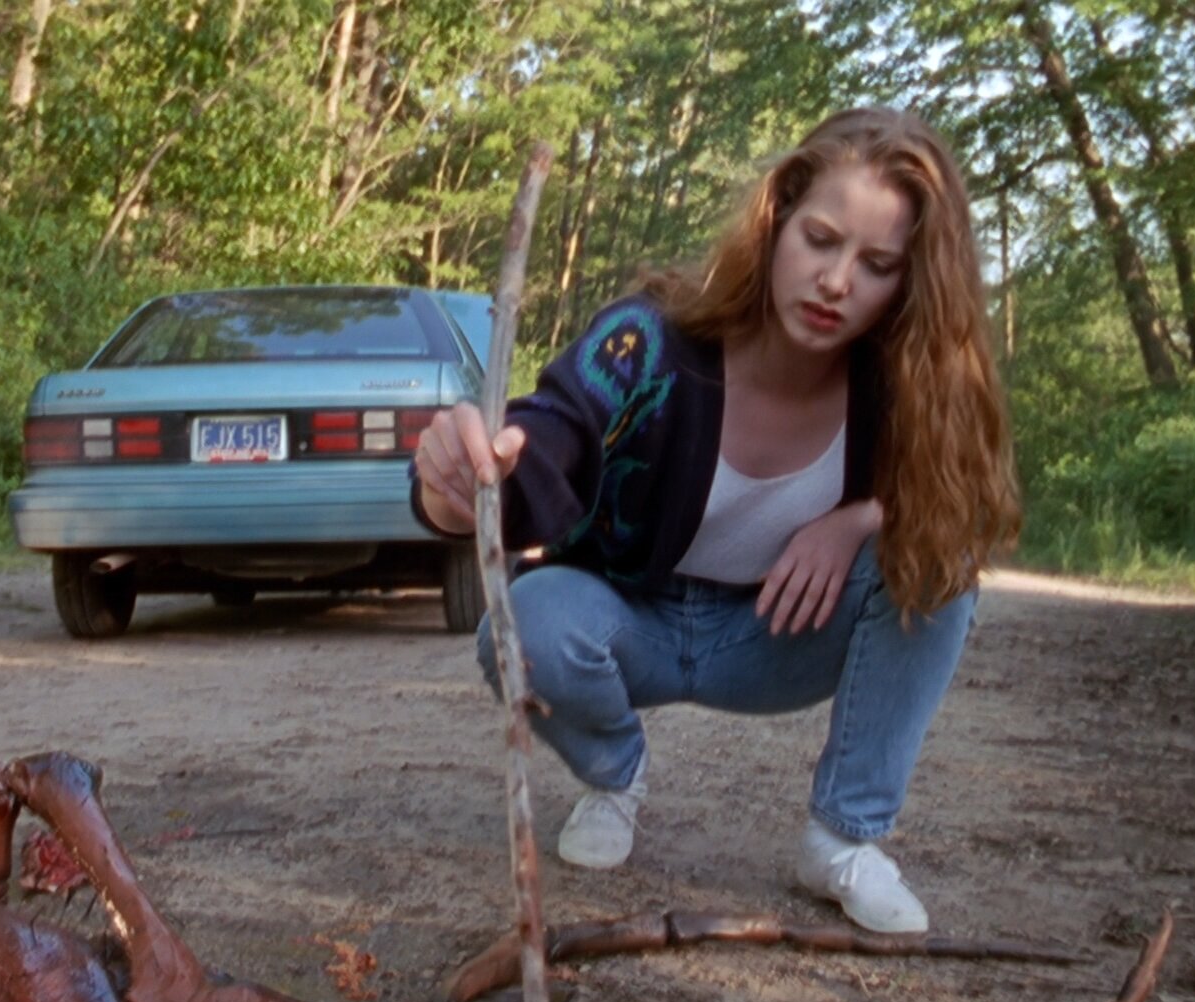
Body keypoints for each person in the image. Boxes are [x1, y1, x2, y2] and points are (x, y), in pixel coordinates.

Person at [410, 107, 1020, 934]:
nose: (837, 282)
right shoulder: (650, 343)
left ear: (910, 282)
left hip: (772, 636)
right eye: (820, 240)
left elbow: (965, 507)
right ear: (776, 222)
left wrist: (857, 519)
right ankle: (614, 775)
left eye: (877, 264)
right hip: (628, 624)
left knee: (941, 567)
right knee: (521, 624)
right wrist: (460, 481)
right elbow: (553, 432)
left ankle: (842, 840)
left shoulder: (904, 386)